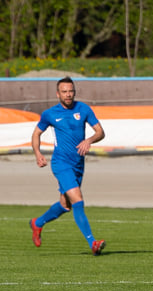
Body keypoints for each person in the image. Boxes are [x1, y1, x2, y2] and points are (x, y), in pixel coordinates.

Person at [30, 77, 107, 255]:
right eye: (64, 91)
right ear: (58, 94)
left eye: (70, 91)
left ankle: (37, 223)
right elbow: (36, 134)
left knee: (65, 205)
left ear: (74, 92)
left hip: (78, 164)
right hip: (61, 163)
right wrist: (38, 153)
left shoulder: (84, 109)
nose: (68, 94)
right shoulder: (50, 114)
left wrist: (89, 140)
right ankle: (93, 243)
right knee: (78, 200)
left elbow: (100, 132)